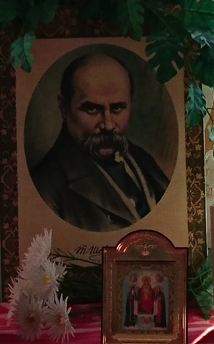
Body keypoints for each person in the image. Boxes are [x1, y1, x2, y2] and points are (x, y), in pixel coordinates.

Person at [29, 52, 170, 232]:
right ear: (64, 108)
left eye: (117, 108)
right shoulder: (46, 186)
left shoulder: (142, 160)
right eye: (92, 109)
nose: (108, 125)